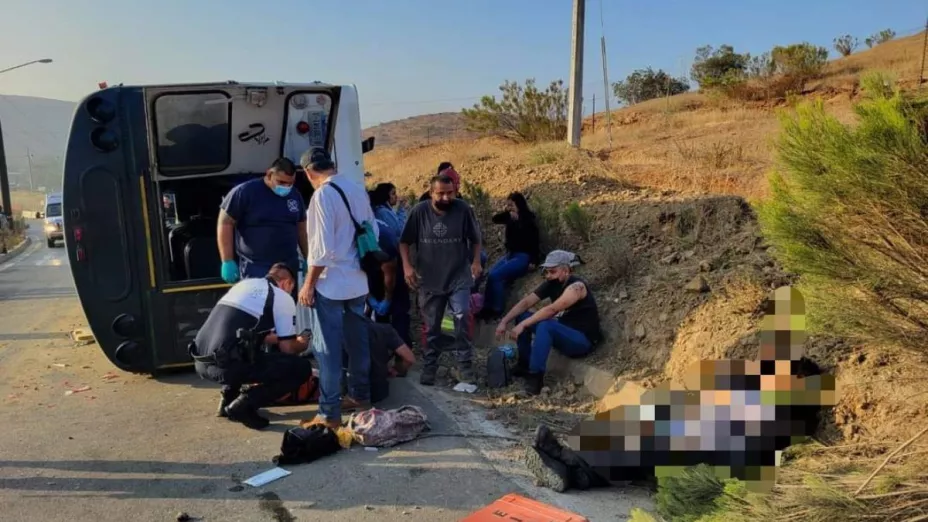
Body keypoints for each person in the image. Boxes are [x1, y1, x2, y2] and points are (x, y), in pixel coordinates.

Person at [298, 147, 376, 430]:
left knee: (326, 348)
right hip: (358, 280)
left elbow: (320, 250)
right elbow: (373, 232)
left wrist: (308, 285)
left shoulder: (322, 195)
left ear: (308, 172)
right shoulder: (356, 189)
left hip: (330, 284)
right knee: (358, 341)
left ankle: (329, 413)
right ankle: (360, 395)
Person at [190, 263, 312, 430]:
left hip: (201, 362)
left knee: (244, 349)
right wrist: (302, 344)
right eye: (291, 289)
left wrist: (282, 339)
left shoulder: (245, 285)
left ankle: (228, 398)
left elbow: (253, 334)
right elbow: (288, 349)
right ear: (287, 283)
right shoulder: (281, 297)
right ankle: (245, 405)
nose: (291, 292)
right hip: (226, 366)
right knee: (301, 368)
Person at [401, 174, 483, 386]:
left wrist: (476, 261)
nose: (446, 198)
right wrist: (407, 266)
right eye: (441, 194)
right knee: (432, 325)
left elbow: (475, 239)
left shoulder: (463, 209)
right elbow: (404, 242)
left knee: (462, 315)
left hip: (458, 276)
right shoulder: (419, 213)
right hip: (429, 279)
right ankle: (430, 365)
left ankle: (464, 364)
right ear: (431, 193)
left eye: (450, 193)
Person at [495, 250, 602, 395]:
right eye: (547, 271)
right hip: (563, 331)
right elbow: (526, 302)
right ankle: (524, 365)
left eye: (553, 271)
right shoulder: (551, 284)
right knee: (522, 316)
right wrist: (504, 321)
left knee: (545, 325)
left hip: (581, 340)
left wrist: (524, 325)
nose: (549, 275)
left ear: (565, 270)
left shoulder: (576, 287)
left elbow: (552, 310)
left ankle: (535, 379)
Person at [217, 158, 309, 298]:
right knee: (259, 310)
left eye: (290, 183)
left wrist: (309, 257)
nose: (286, 187)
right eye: (281, 182)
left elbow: (302, 229)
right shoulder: (245, 192)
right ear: (269, 174)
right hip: (256, 267)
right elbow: (225, 223)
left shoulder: (294, 195)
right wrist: (227, 260)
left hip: (287, 267)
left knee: (285, 310)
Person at [478, 192, 541, 320]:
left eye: (511, 205)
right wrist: (508, 214)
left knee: (496, 276)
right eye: (507, 205)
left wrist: (534, 260)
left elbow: (535, 242)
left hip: (523, 257)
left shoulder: (528, 220)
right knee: (491, 274)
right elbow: (495, 219)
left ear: (519, 204)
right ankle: (487, 307)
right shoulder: (509, 218)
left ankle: (497, 310)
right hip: (510, 255)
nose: (509, 207)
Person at [366, 192, 412, 346]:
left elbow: (389, 270)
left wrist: (387, 299)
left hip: (394, 275)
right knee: (380, 321)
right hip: (372, 275)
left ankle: (402, 357)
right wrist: (369, 297)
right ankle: (383, 353)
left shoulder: (380, 234)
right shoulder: (354, 231)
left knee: (399, 315)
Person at [344, 315, 416, 405]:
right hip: (378, 391)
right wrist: (395, 370)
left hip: (348, 392)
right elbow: (409, 358)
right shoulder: (385, 329)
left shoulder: (336, 331)